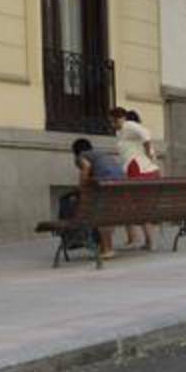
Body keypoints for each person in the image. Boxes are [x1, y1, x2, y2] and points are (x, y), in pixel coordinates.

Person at [110, 107, 159, 250]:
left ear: (121, 117)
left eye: (114, 120)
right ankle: (145, 240)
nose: (113, 124)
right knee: (138, 205)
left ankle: (140, 239)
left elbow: (146, 134)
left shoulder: (128, 125)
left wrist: (148, 151)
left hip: (138, 170)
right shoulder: (123, 132)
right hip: (142, 170)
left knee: (134, 204)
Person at [71, 138, 126, 259]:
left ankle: (107, 249)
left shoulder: (81, 156)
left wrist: (81, 187)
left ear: (75, 151)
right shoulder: (101, 154)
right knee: (107, 214)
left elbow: (86, 167)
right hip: (122, 184)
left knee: (101, 215)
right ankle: (105, 247)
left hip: (106, 184)